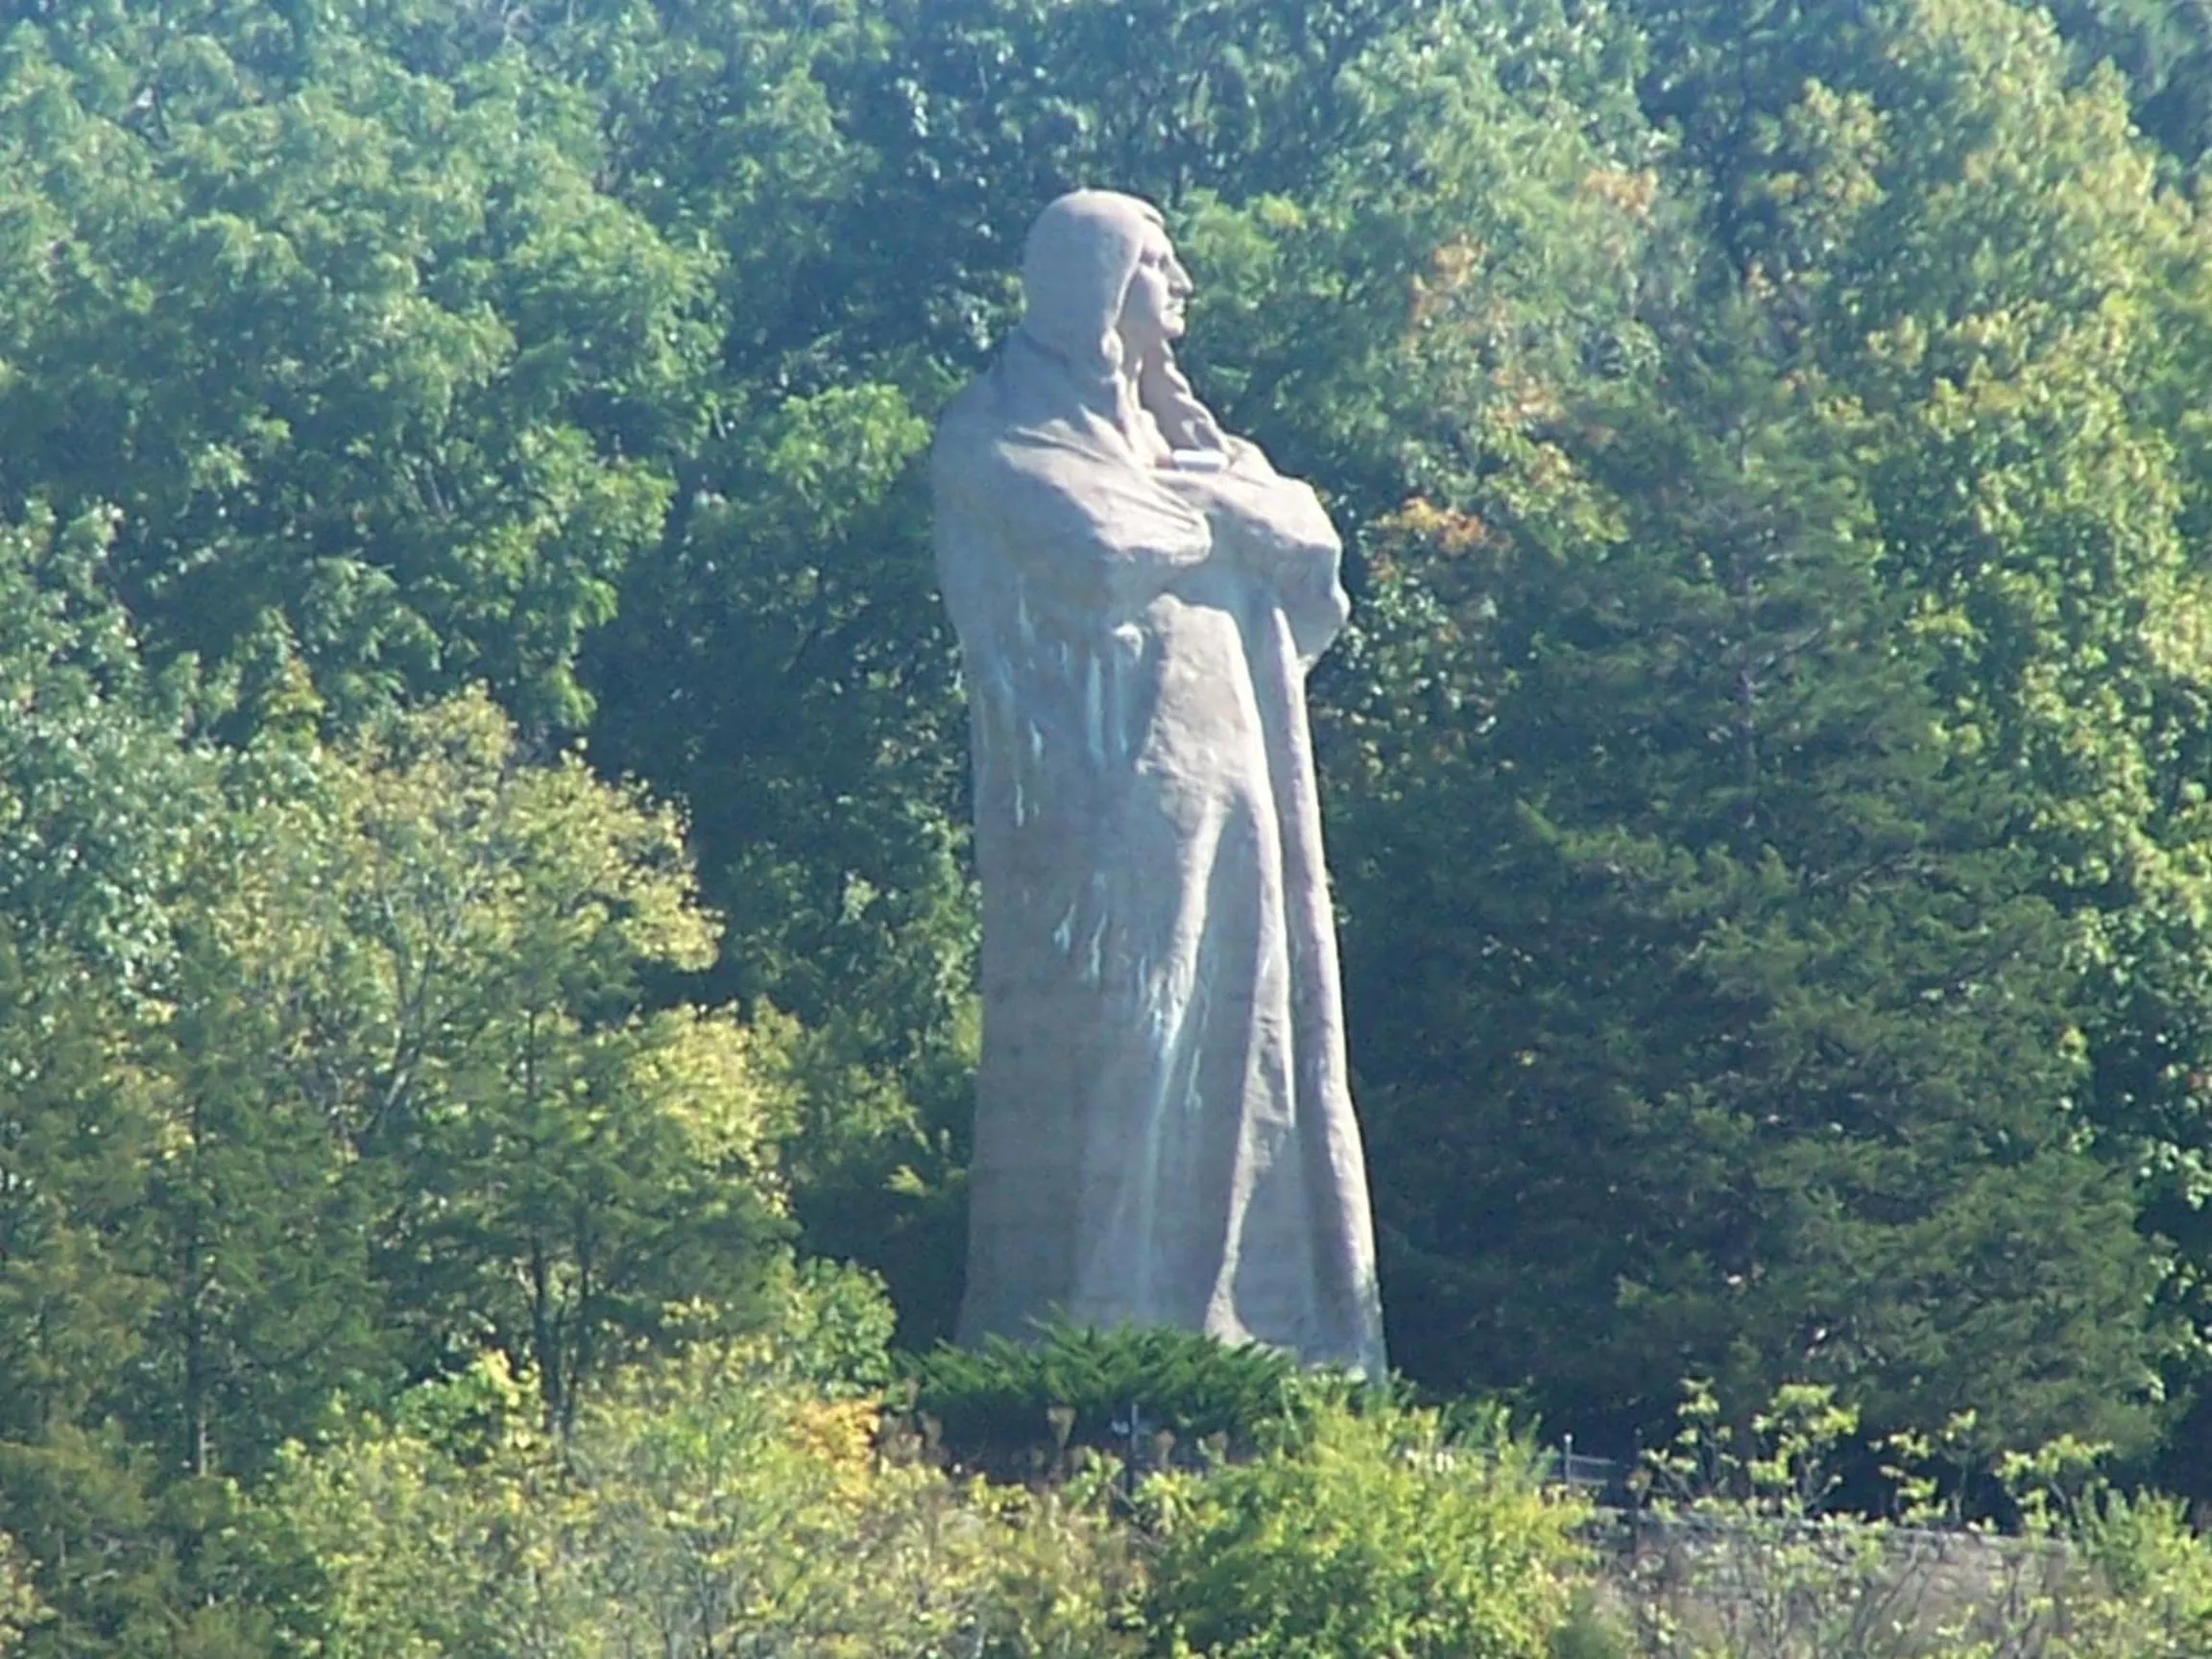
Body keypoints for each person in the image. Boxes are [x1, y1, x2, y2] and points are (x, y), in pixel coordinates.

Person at [932, 188, 1385, 1376]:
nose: (1180, 284)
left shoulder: (1193, 442)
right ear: (1100, 281)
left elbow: (1315, 552)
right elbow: (1099, 546)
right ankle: (1113, 1346)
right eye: (1159, 262)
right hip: (1107, 805)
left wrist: (1220, 506)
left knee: (1257, 1042)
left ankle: (1257, 1337)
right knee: (1136, 1037)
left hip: (1242, 781)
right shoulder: (998, 432)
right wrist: (1223, 521)